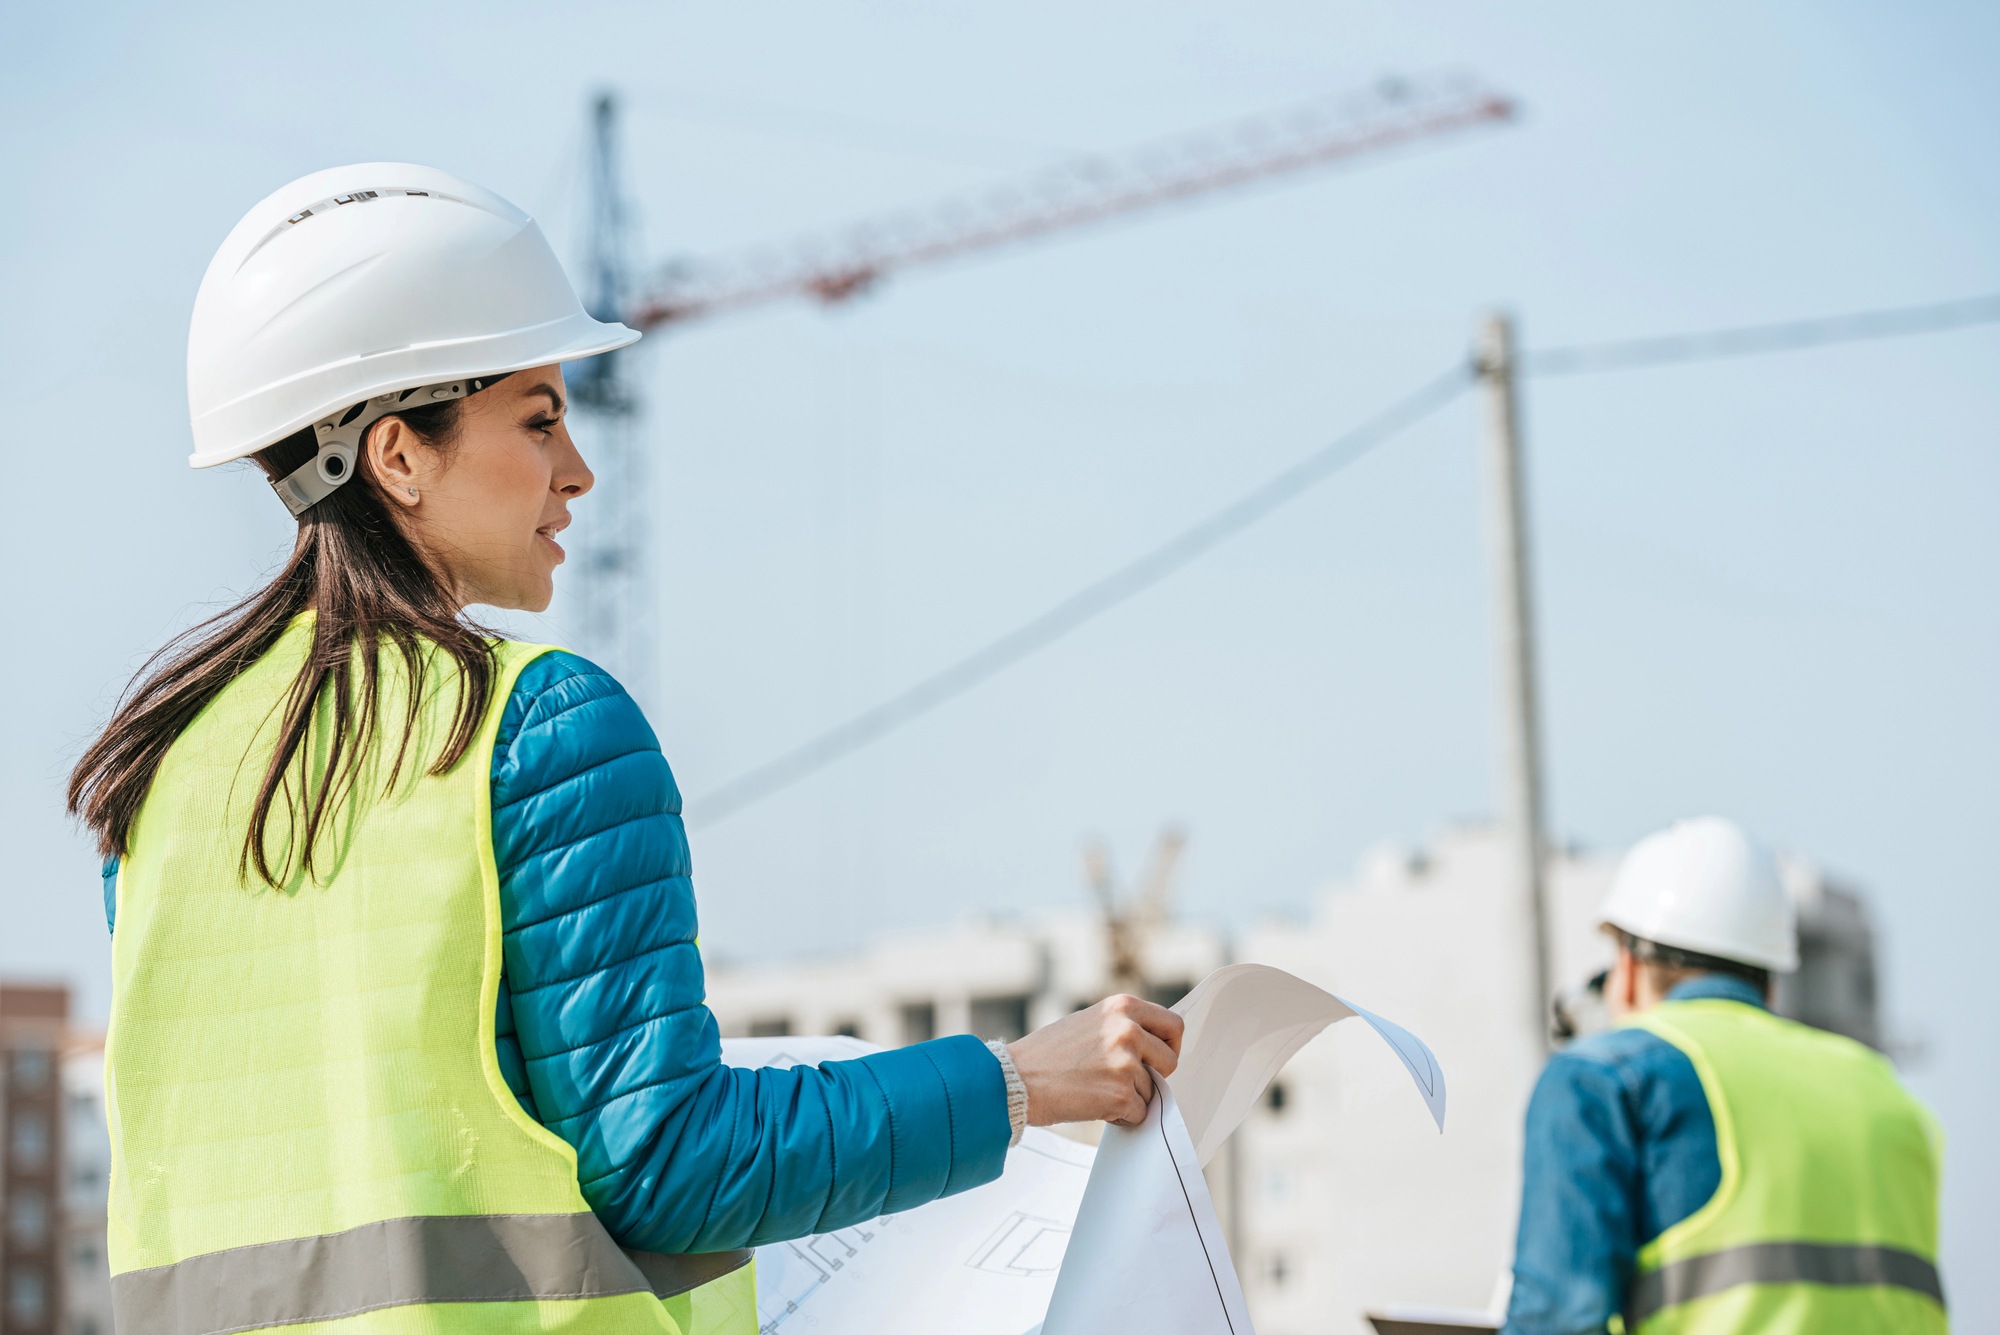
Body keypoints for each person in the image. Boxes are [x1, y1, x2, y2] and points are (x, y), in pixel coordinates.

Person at [68, 164, 1184, 1335]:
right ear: (397, 454)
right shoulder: (532, 725)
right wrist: (1016, 1082)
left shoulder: (162, 778)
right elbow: (671, 1164)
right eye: (538, 418)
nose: (577, 471)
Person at [1501, 816, 1946, 1334]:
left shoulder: (1604, 1081)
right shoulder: (1886, 1095)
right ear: (1771, 982)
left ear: (1626, 965)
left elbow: (1558, 1321)